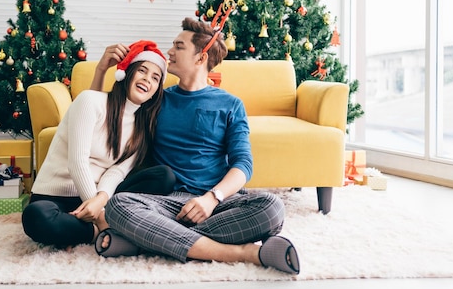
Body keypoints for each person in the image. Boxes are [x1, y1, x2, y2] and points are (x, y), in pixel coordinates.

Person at [91, 14, 300, 275]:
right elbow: (102, 115)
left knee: (272, 208)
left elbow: (243, 165)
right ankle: (242, 252)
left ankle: (146, 239)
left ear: (201, 58)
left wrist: (212, 199)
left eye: (179, 46)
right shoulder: (156, 99)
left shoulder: (230, 104)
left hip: (216, 204)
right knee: (119, 206)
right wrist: (101, 70)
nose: (169, 51)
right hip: (165, 203)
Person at [22, 40, 175, 248]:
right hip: (56, 197)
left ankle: (90, 228)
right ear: (126, 74)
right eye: (142, 71)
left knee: (164, 177)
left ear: (157, 89)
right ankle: (100, 230)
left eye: (155, 78)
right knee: (35, 216)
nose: (147, 80)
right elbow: (77, 162)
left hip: (100, 198)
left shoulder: (142, 128)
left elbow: (117, 172)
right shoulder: (90, 101)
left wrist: (100, 201)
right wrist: (99, 218)